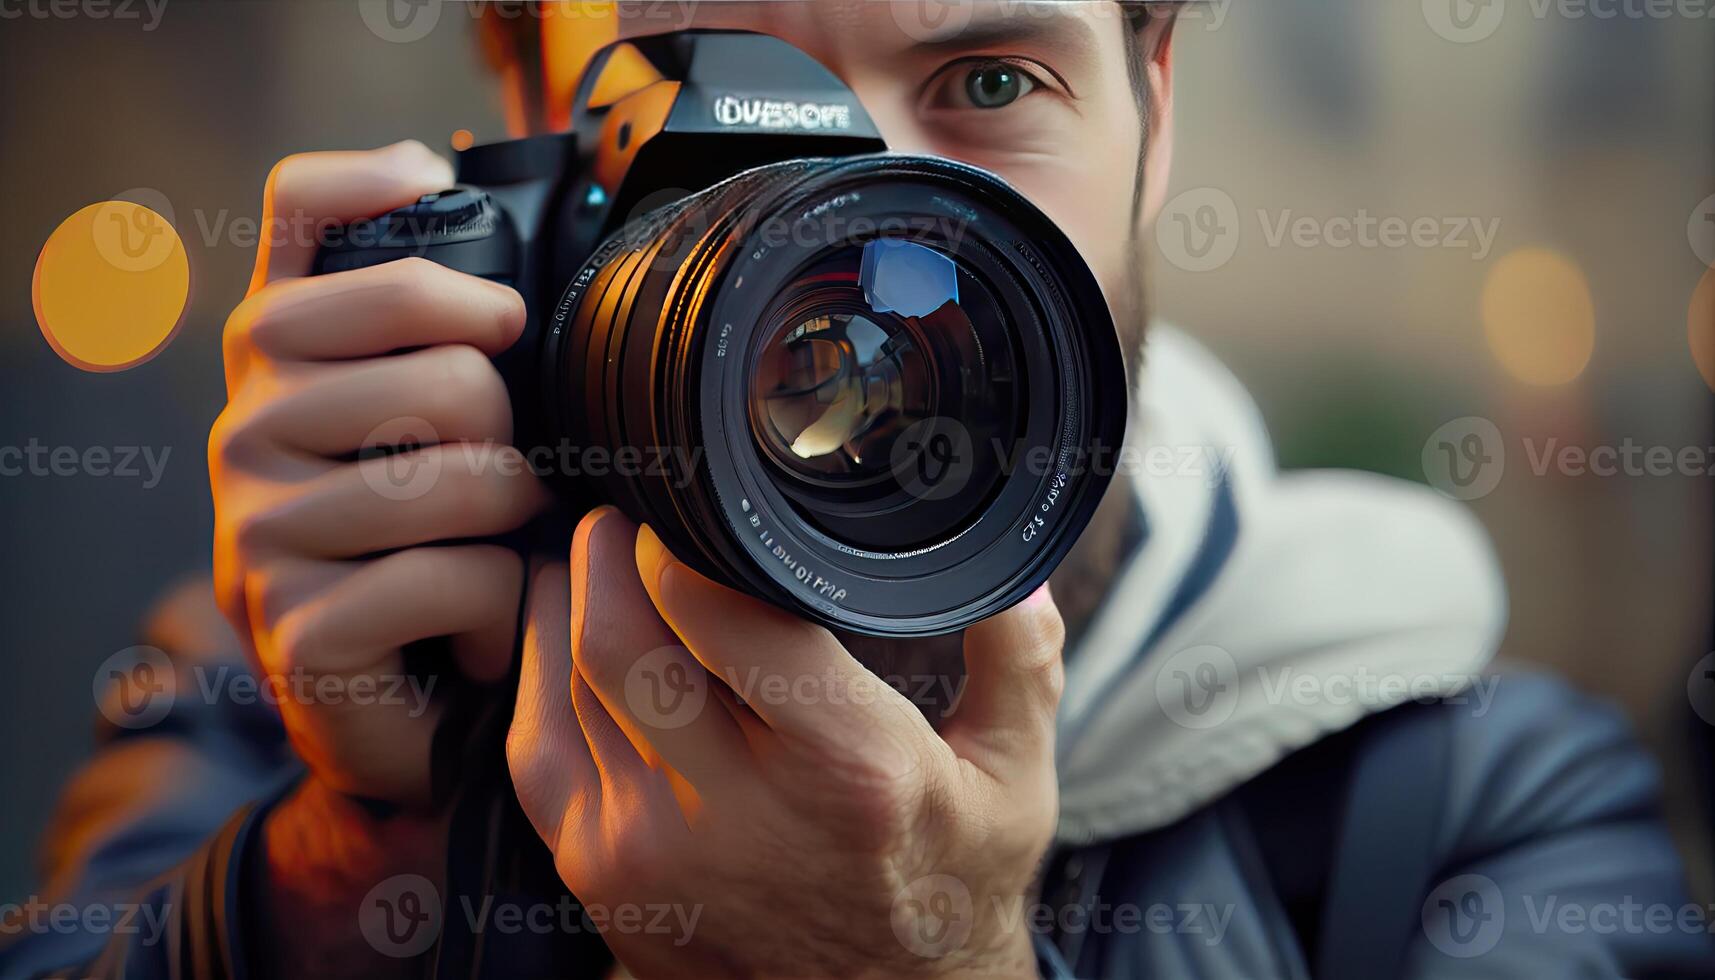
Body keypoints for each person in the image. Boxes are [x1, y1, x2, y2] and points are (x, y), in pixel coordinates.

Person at [3, 3, 1710, 977]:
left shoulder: (1472, 801)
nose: (868, 227)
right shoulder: (298, 683)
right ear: (516, 141)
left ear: (1156, 118)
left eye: (984, 85)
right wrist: (355, 854)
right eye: (711, 120)